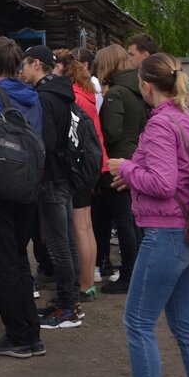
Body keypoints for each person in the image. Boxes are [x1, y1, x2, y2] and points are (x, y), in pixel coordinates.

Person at [95, 53, 189, 377]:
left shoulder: (161, 123)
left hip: (167, 233)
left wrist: (125, 168)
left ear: (146, 85)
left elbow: (165, 184)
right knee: (186, 324)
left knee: (138, 323)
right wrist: (134, 176)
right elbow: (185, 175)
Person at [0, 38, 44, 358]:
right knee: (18, 258)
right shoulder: (33, 95)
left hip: (0, 188)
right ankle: (31, 333)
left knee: (3, 263)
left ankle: (18, 336)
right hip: (30, 185)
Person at [20, 45, 81, 330]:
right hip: (65, 173)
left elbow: (47, 139)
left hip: (53, 176)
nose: (22, 69)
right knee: (66, 239)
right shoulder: (61, 92)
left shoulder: (44, 97)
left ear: (36, 65)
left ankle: (68, 306)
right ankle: (70, 300)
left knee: (58, 243)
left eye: (25, 64)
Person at [53, 48, 107, 303]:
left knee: (80, 226)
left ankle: (84, 284)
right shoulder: (89, 91)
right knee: (86, 224)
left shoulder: (72, 96)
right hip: (94, 162)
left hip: (80, 164)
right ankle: (88, 280)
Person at [93, 44, 144, 294]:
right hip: (135, 157)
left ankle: (128, 274)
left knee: (124, 220)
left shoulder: (116, 93)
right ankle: (134, 270)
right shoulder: (138, 89)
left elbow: (111, 132)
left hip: (116, 162)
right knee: (131, 220)